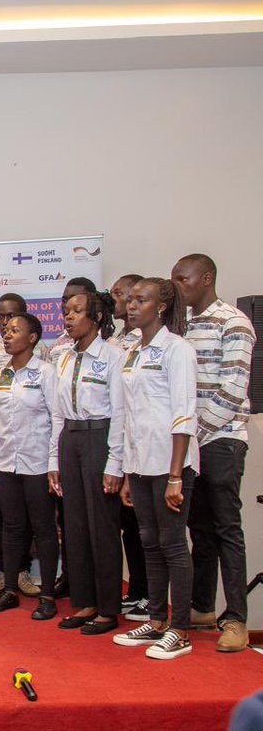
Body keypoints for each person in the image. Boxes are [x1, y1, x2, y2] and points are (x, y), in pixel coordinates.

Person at [172, 253, 255, 652]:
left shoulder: (233, 321)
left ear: (206, 278)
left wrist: (192, 433)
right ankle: (202, 607)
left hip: (222, 438)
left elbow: (233, 388)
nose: (177, 286)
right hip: (190, 444)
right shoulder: (181, 325)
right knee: (198, 529)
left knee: (226, 529)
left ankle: (236, 618)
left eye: (182, 279)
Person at [112, 277, 198, 659]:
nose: (131, 306)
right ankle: (158, 618)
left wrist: (176, 475)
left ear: (161, 307)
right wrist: (129, 471)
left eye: (140, 300)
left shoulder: (176, 350)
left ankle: (180, 628)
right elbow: (129, 414)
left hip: (170, 464)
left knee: (173, 545)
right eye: (129, 300)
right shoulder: (132, 351)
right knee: (149, 542)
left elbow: (184, 414)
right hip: (141, 465)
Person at [52, 290, 125, 636]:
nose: (68, 317)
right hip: (71, 437)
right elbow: (56, 413)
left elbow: (122, 412)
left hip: (100, 437)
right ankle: (85, 601)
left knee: (102, 526)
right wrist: (54, 458)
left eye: (76, 311)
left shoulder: (113, 356)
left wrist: (115, 463)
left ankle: (109, 608)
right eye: (66, 312)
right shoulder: (62, 357)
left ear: (95, 317)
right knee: (75, 525)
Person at [0, 313, 60, 620]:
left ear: (32, 338)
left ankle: (48, 595)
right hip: (5, 463)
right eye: (5, 330)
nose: (7, 334)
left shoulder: (45, 373)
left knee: (42, 529)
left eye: (15, 330)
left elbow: (58, 419)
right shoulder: (2, 374)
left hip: (38, 462)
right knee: (12, 528)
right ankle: (10, 590)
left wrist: (54, 463)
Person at [0, 293, 39, 599]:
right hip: (1, 443)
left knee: (29, 516)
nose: (4, 325)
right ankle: (4, 571)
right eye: (0, 318)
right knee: (3, 515)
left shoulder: (45, 356)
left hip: (32, 447)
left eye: (10, 317)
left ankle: (24, 571)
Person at [108, 274, 149, 620]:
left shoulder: (152, 342)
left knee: (146, 529)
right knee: (131, 528)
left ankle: (150, 595)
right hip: (127, 448)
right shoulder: (122, 340)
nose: (123, 302)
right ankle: (137, 590)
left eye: (126, 295)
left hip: (152, 451)